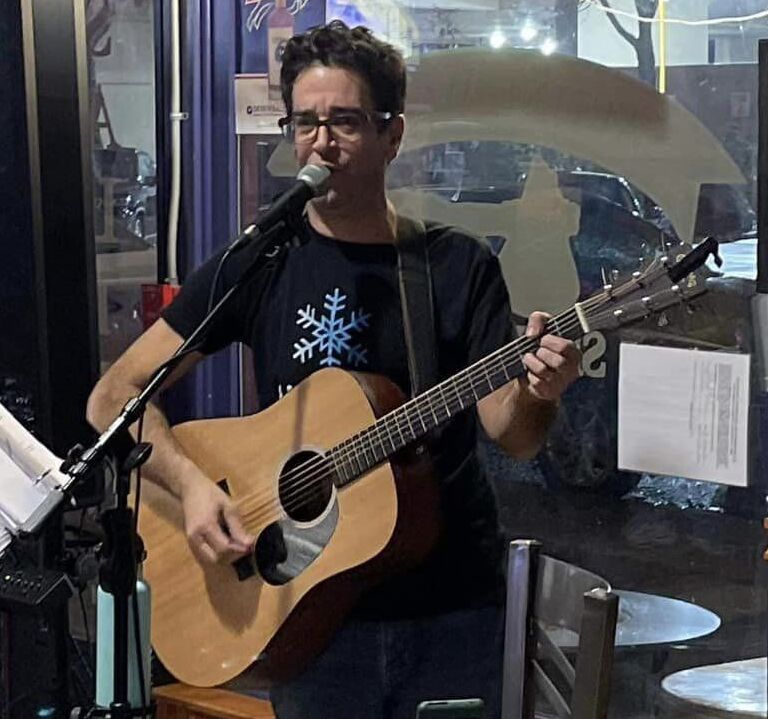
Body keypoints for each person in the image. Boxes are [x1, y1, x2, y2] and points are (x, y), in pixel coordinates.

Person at [86, 21, 581, 719]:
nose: (322, 142)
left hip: (452, 612)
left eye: (344, 121)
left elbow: (515, 433)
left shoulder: (454, 267)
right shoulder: (257, 265)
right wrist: (193, 487)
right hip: (308, 615)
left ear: (392, 134)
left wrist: (540, 392)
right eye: (306, 122)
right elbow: (113, 395)